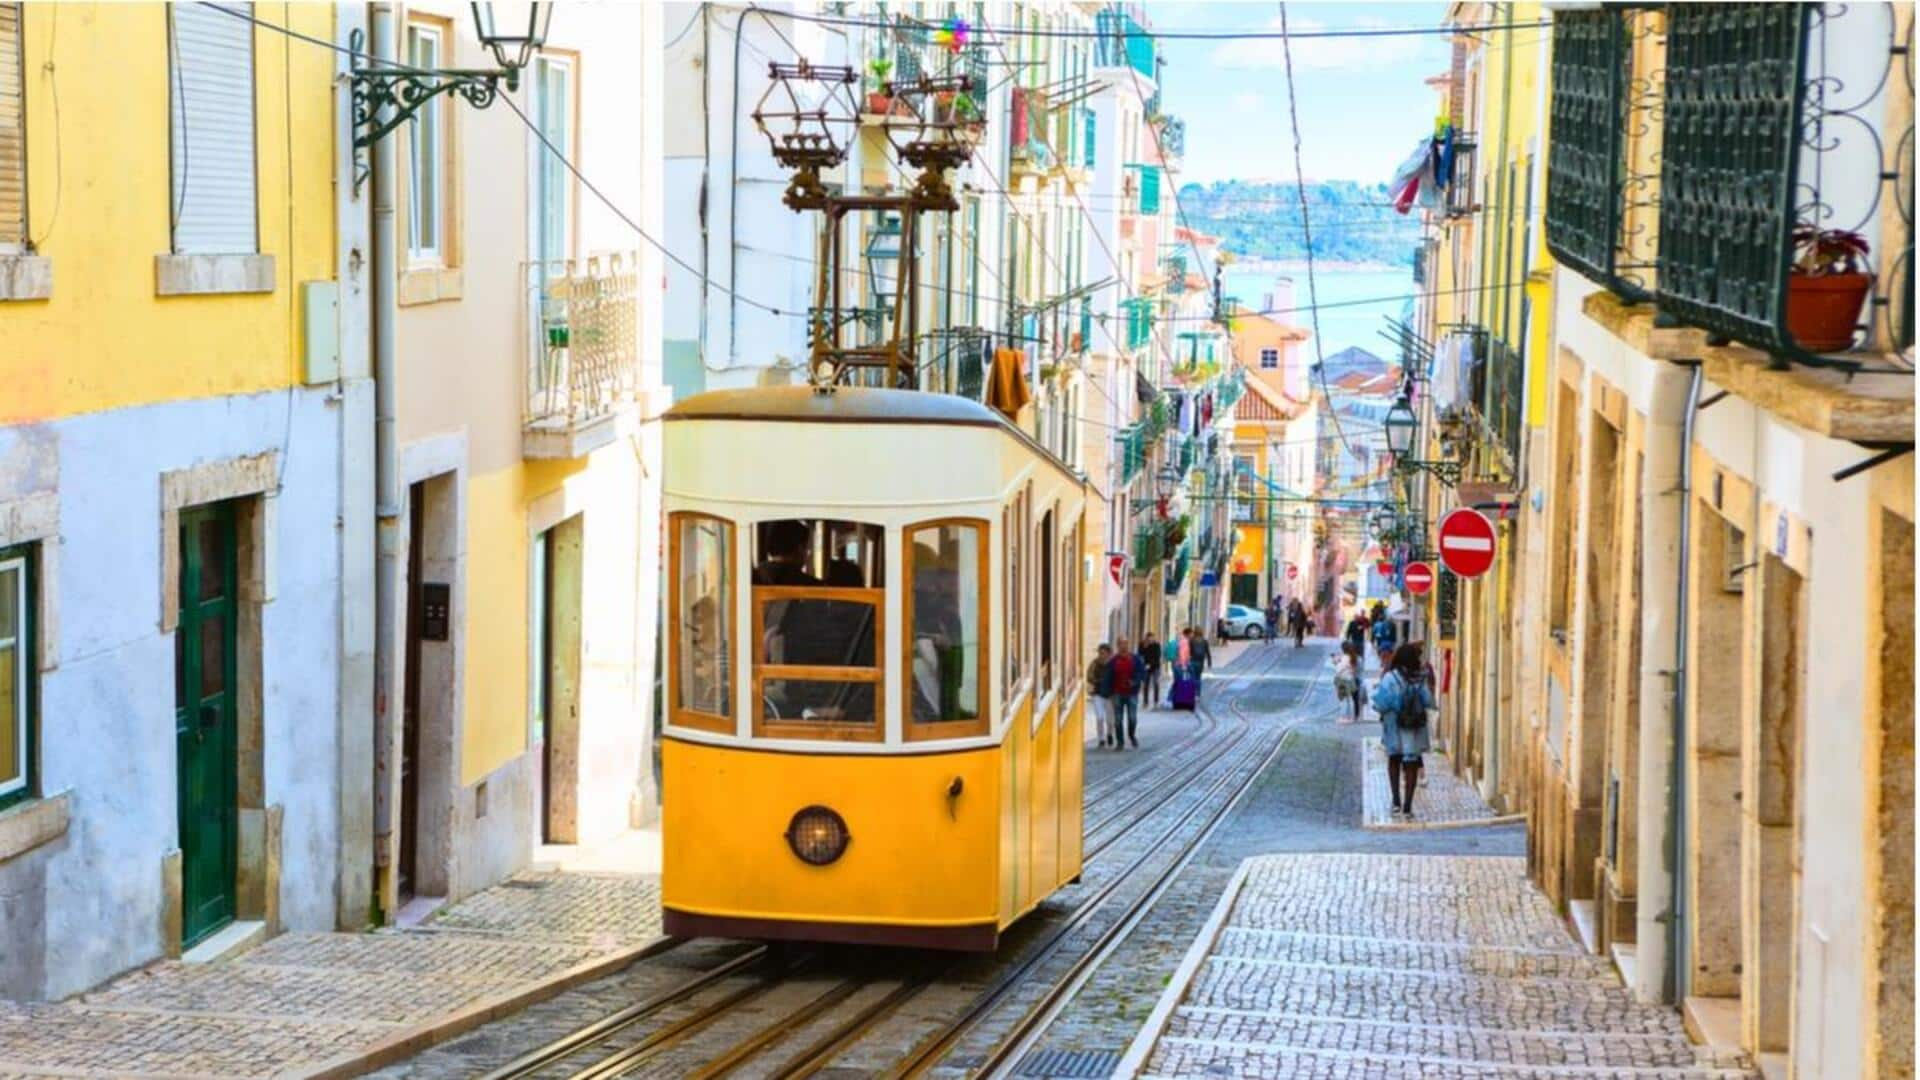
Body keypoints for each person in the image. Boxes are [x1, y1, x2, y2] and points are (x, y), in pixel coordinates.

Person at [1372, 642, 1436, 817]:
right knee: (1411, 765)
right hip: (1413, 728)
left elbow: (1380, 703)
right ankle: (1408, 807)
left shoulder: (1390, 677)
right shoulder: (1420, 678)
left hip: (1393, 726)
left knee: (1394, 760)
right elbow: (1428, 701)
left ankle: (1396, 802)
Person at [1110, 637, 1141, 748]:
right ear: (1118, 646)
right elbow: (1109, 677)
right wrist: (1108, 692)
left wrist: (1134, 682)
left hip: (1131, 692)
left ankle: (1132, 735)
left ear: (1128, 645)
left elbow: (1141, 673)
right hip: (1117, 693)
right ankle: (1120, 742)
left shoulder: (1135, 659)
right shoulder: (1114, 661)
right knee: (1118, 719)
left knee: (1132, 718)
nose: (1123, 646)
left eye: (1125, 643)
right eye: (1121, 644)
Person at [1086, 644, 1116, 748]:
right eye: (1099, 653)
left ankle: (1110, 734)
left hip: (1110, 694)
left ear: (1108, 653)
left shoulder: (1113, 663)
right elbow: (1089, 676)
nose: (1101, 655)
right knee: (1100, 717)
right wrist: (1098, 682)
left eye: (1103, 653)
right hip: (1097, 693)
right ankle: (1101, 738)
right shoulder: (1094, 663)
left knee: (1110, 718)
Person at [1333, 641, 1366, 722]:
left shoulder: (1344, 658)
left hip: (1346, 680)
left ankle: (1345, 716)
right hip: (1356, 680)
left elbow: (1338, 669)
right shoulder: (1358, 658)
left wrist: (1336, 662)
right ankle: (1356, 716)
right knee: (1355, 699)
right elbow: (1360, 670)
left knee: (1345, 699)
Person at [1187, 625, 1213, 702]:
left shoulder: (1191, 640)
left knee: (1192, 678)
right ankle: (1198, 694)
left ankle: (1192, 693)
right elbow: (1208, 652)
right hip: (1200, 662)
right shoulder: (1205, 641)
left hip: (1192, 661)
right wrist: (1209, 662)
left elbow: (1189, 652)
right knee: (1198, 678)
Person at [1140, 632, 1163, 710]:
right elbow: (1141, 654)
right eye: (1148, 639)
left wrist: (1150, 664)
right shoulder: (1143, 644)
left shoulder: (1157, 645)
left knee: (1156, 683)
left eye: (1151, 638)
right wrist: (1144, 647)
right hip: (1147, 668)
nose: (1150, 640)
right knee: (1146, 684)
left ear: (1153, 638)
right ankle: (1145, 702)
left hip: (1155, 667)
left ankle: (1156, 702)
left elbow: (1158, 656)